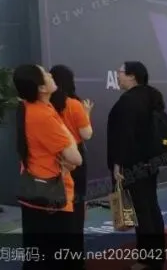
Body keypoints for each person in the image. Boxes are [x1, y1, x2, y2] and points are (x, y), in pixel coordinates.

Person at [14, 64, 82, 268]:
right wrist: (68, 137)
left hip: (36, 191)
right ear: (41, 88)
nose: (50, 75)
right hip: (52, 196)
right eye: (45, 74)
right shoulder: (42, 115)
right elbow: (76, 158)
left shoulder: (29, 107)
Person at [108, 61, 167, 270]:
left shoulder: (129, 101)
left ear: (132, 76)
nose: (118, 75)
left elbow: (123, 136)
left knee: (142, 211)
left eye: (120, 72)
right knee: (151, 207)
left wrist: (118, 164)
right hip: (151, 161)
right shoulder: (153, 95)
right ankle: (157, 255)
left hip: (133, 164)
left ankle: (148, 259)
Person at [50, 64, 94, 267]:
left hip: (53, 159)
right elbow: (86, 134)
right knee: (75, 207)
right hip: (74, 157)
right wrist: (87, 114)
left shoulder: (46, 105)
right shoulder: (74, 105)